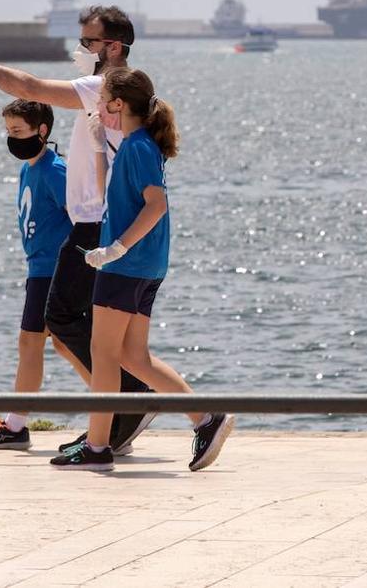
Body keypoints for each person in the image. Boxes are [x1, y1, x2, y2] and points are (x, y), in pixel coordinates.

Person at [0, 6, 152, 453]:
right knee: (102, 336)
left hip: (96, 228)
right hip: (97, 227)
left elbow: (31, 88)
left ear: (112, 46)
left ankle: (133, 406)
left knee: (70, 323)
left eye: (88, 41)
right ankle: (124, 412)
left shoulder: (103, 88)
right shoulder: (106, 91)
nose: (81, 48)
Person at [50, 66, 234, 471]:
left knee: (103, 354)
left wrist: (116, 248)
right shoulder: (132, 144)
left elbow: (156, 204)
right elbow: (107, 195)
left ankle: (98, 447)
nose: (97, 110)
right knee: (134, 357)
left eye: (102, 104)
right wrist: (98, 147)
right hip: (143, 264)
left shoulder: (138, 147)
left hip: (128, 264)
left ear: (117, 104)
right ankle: (206, 418)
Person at [0, 100, 72, 448]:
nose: (11, 138)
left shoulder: (55, 171)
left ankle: (15, 426)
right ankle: (121, 406)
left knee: (34, 343)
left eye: (18, 131)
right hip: (38, 268)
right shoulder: (30, 168)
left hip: (52, 270)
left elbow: (84, 219)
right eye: (8, 131)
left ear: (42, 131)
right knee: (60, 343)